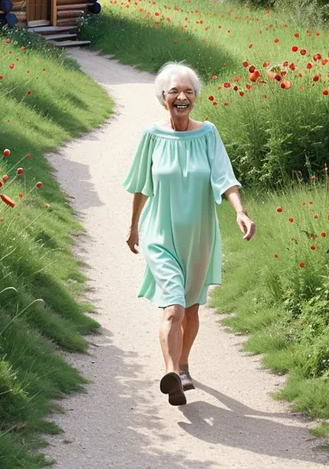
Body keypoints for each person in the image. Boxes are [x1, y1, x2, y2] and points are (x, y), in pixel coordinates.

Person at [123, 61, 256, 406]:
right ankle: (171, 374)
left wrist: (240, 211)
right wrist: (133, 226)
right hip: (159, 233)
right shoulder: (152, 136)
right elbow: (141, 185)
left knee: (192, 310)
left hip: (199, 235)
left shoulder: (208, 133)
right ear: (162, 97)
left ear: (195, 96)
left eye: (188, 92)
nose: (182, 97)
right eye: (174, 92)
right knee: (174, 308)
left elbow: (225, 177)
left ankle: (183, 365)